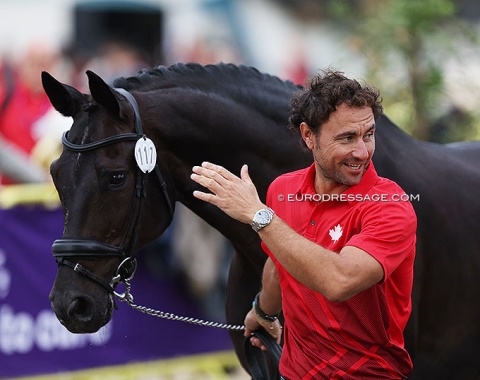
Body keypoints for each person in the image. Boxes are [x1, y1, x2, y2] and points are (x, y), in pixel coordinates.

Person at [190, 69, 417, 379]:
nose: (362, 152)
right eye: (347, 137)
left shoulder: (391, 206)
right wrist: (264, 311)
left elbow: (340, 281)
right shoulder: (282, 190)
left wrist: (258, 215)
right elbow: (279, 259)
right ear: (309, 135)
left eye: (369, 134)